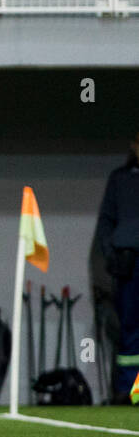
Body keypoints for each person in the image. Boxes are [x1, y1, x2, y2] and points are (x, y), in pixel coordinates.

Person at [92, 129, 139, 403]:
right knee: (130, 330)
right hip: (129, 264)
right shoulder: (120, 179)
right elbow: (106, 221)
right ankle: (128, 391)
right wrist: (111, 254)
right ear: (133, 146)